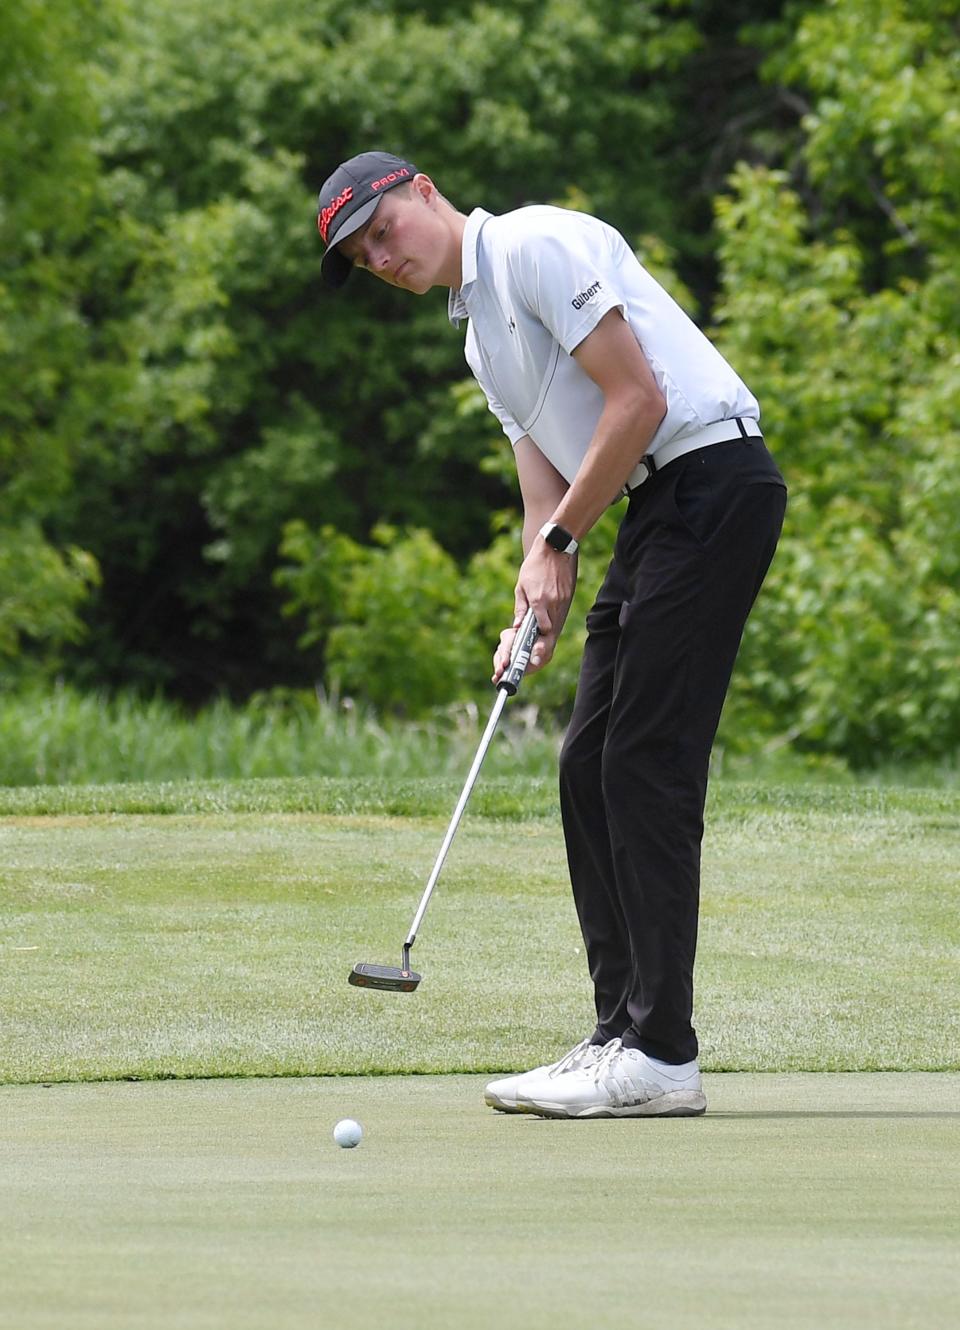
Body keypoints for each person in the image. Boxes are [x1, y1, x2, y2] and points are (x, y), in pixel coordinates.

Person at [317, 151, 787, 1118]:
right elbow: (547, 508)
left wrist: (565, 537)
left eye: (382, 230)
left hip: (713, 482)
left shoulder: (533, 244)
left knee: (644, 763)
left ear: (423, 193)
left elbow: (641, 401)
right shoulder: (480, 344)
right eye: (364, 257)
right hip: (656, 507)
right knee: (588, 765)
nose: (382, 257)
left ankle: (662, 1052)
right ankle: (619, 1033)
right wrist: (531, 601)